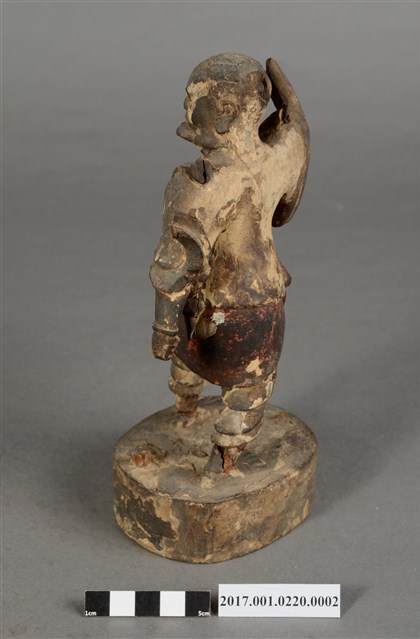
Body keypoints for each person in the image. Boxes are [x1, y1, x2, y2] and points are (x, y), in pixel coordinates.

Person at [150, 53, 309, 471]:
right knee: (251, 386)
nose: (187, 107)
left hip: (208, 308)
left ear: (224, 111)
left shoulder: (204, 183)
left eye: (194, 99)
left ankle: (194, 422)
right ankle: (223, 452)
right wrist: (289, 109)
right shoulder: (280, 158)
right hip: (263, 305)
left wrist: (163, 324)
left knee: (190, 363)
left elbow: (177, 261)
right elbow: (285, 206)